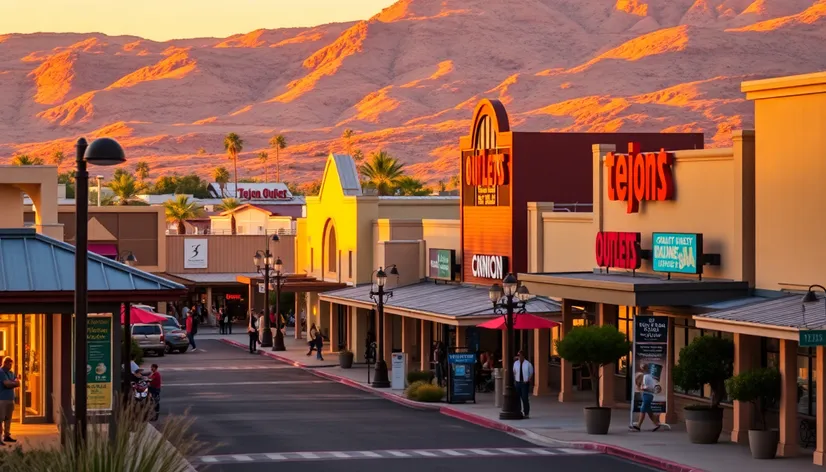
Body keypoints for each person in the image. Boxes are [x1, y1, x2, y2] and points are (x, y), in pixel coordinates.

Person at [630, 363, 667, 432]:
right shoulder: (650, 377)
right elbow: (653, 387)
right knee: (649, 411)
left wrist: (640, 388)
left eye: (643, 368)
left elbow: (646, 387)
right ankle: (657, 424)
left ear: (645, 369)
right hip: (648, 395)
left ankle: (638, 426)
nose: (642, 369)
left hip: (647, 395)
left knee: (642, 409)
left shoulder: (646, 377)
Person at [0, 357, 20, 445]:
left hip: (10, 399)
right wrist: (13, 383)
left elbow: (18, 382)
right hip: (2, 399)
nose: (10, 365)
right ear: (4, 363)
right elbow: (6, 384)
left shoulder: (11, 372)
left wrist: (13, 382)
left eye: (11, 364)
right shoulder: (1, 372)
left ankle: (7, 435)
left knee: (8, 419)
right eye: (9, 364)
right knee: (0, 419)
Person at [513, 350, 534, 418]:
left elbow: (531, 373)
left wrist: (528, 380)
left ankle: (526, 412)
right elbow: (514, 371)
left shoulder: (528, 364)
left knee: (524, 398)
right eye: (518, 355)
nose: (518, 357)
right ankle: (519, 411)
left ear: (523, 356)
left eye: (519, 355)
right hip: (518, 382)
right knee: (517, 398)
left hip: (524, 383)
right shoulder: (516, 363)